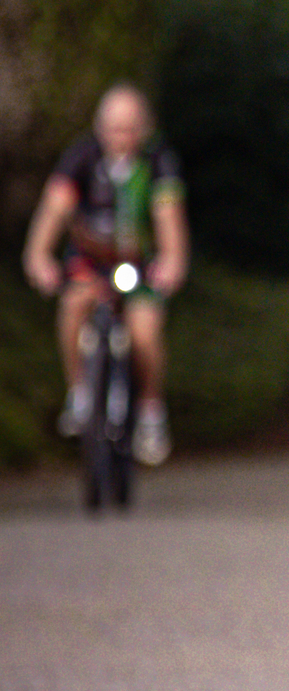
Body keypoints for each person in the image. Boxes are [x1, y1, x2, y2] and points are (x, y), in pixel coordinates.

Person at [22, 84, 190, 466]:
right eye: (115, 128)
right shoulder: (81, 156)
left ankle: (150, 411)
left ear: (145, 128)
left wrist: (173, 261)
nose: (122, 137)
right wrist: (39, 256)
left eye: (130, 128)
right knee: (72, 306)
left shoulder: (157, 161)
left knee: (145, 332)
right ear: (100, 128)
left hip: (139, 263)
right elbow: (54, 209)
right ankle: (79, 393)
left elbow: (169, 219)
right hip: (91, 260)